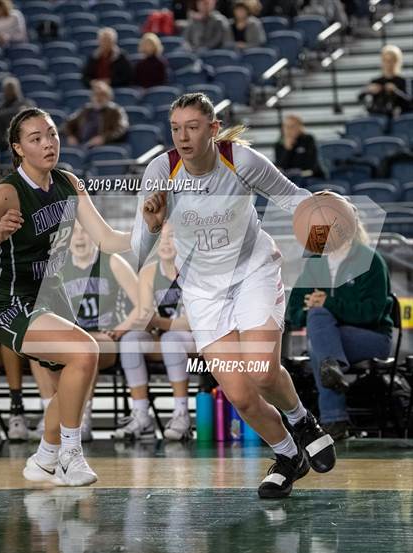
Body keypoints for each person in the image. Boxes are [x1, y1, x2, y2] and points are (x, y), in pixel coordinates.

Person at [131, 92, 337, 499]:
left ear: (212, 129)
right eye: (175, 128)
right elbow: (137, 250)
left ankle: (303, 420)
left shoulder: (239, 161)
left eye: (192, 127)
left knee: (262, 372)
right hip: (204, 291)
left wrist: (326, 211)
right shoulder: (159, 169)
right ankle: (287, 456)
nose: (183, 137)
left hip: (252, 272)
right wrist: (153, 225)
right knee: (241, 396)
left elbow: (292, 197)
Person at [0, 107, 132, 486]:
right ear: (18, 149)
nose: (48, 143)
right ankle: (70, 454)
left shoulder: (69, 182)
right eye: (36, 138)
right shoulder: (6, 193)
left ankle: (44, 458)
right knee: (85, 352)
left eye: (51, 134)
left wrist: (149, 229)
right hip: (8, 298)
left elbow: (106, 240)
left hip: (47, 294)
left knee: (77, 374)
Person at [287, 207, 393, 440]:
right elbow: (293, 308)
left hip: (372, 337)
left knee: (320, 342)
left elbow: (372, 314)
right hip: (329, 337)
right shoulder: (316, 261)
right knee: (319, 327)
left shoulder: (370, 260)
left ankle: (334, 420)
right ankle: (331, 368)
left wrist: (328, 303)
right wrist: (309, 307)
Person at [115, 222, 195, 441]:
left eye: (172, 237)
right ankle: (141, 415)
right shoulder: (149, 271)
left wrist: (156, 321)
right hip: (165, 337)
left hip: (197, 340)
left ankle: (181, 415)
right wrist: (139, 322)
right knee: (131, 340)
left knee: (170, 338)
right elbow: (144, 313)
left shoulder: (194, 270)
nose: (166, 242)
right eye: (161, 238)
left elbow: (191, 322)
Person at [60, 221, 139, 441]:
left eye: (85, 230)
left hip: (105, 338)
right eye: (74, 232)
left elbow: (144, 304)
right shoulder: (58, 267)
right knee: (43, 347)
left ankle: (82, 417)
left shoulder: (112, 261)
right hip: (73, 337)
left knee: (86, 347)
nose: (80, 237)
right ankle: (52, 410)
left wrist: (121, 328)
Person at [64, 80, 129, 148]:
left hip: (103, 147)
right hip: (81, 145)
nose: (98, 98)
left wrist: (103, 138)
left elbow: (121, 129)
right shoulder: (86, 109)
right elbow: (68, 123)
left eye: (102, 95)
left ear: (109, 97)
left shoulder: (116, 111)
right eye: (95, 94)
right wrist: (70, 136)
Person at [359, 45, 411, 119]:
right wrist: (368, 90)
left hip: (398, 116)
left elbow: (409, 103)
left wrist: (395, 91)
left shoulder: (402, 80)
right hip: (378, 115)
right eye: (385, 60)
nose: (388, 64)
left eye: (392, 61)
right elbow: (360, 97)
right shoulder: (376, 81)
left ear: (397, 62)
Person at [275, 114, 324, 182]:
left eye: (292, 126)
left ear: (300, 127)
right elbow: (280, 166)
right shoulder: (279, 143)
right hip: (290, 179)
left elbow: (310, 164)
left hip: (310, 177)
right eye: (286, 126)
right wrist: (288, 149)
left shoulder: (308, 139)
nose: (289, 129)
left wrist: (296, 171)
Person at [0, 77, 34, 151]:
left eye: (11, 88)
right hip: (2, 141)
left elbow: (20, 112)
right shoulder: (0, 107)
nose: (10, 91)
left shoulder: (26, 104)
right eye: (7, 89)